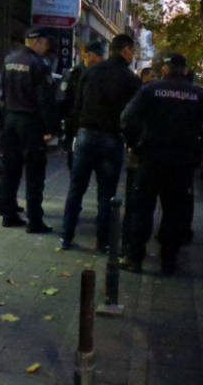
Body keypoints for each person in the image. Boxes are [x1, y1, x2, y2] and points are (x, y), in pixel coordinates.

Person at [119, 53, 203, 274]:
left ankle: (134, 257)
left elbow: (127, 118)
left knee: (143, 208)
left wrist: (135, 145)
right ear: (185, 71)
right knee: (174, 211)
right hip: (182, 161)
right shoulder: (198, 94)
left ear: (164, 70)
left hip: (151, 158)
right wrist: (200, 146)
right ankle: (168, 261)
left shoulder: (150, 90)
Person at [60, 34, 142, 252]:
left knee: (76, 188)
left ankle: (66, 236)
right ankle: (102, 241)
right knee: (106, 194)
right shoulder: (131, 79)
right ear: (125, 50)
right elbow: (133, 116)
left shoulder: (90, 72)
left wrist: (73, 135)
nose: (132, 56)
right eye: (132, 51)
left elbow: (77, 105)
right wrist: (132, 142)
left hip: (85, 134)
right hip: (111, 138)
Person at [0, 28, 60, 233]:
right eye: (46, 43)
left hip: (11, 119)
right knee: (34, 173)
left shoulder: (9, 59)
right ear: (37, 42)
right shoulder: (38, 64)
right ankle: (34, 220)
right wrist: (50, 127)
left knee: (10, 170)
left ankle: (8, 214)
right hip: (30, 122)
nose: (47, 48)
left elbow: (2, 90)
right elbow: (45, 99)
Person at [61, 40, 106, 171]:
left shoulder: (102, 75)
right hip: (75, 126)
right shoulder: (73, 74)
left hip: (94, 126)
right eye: (99, 56)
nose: (102, 59)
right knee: (74, 164)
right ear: (89, 56)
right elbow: (63, 100)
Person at [0, 73, 24, 217]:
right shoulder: (0, 82)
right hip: (1, 127)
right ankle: (0, 202)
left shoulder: (5, 81)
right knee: (2, 165)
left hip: (6, 126)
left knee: (10, 166)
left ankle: (9, 201)